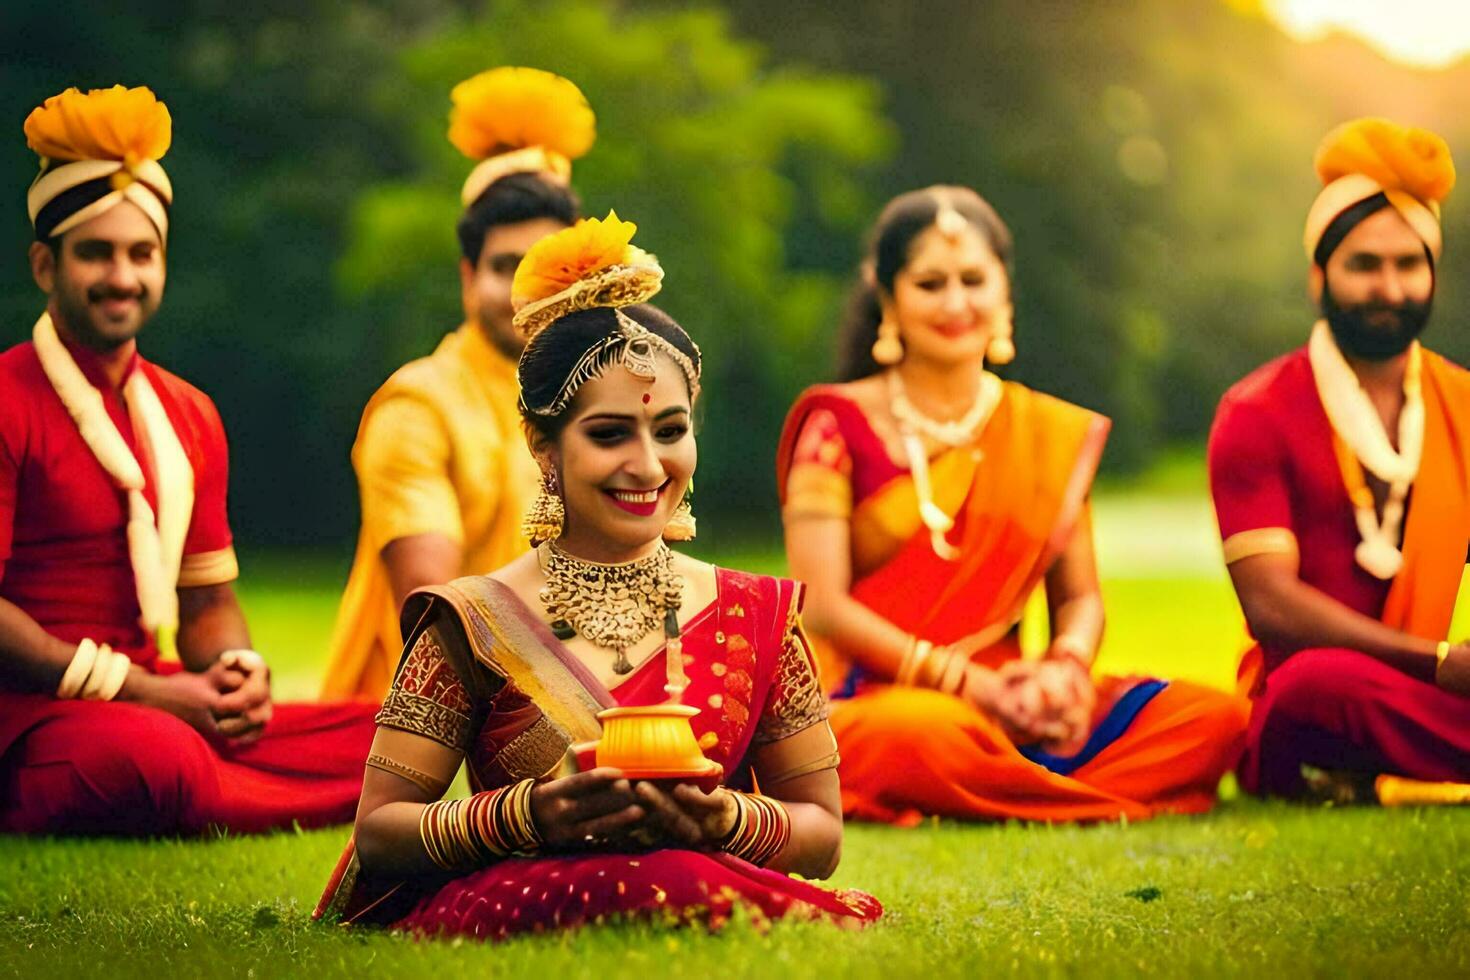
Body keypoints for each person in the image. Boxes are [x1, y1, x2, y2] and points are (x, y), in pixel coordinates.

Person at [316, 213, 881, 938]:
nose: (649, 466)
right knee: (668, 882)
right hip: (526, 889)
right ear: (543, 447)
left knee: (682, 877)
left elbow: (822, 835)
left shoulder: (754, 613)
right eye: (610, 434)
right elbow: (381, 832)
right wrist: (528, 815)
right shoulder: (471, 621)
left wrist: (726, 817)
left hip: (710, 878)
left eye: (671, 431)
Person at [777, 186, 1248, 825]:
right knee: (921, 735)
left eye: (974, 280)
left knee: (1213, 720)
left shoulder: (1042, 432)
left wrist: (1066, 671)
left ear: (1004, 292)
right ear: (887, 297)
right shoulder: (837, 425)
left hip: (1016, 704)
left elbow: (1080, 600)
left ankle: (1004, 783)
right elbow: (824, 607)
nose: (956, 303)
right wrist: (967, 685)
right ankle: (1053, 789)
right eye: (930, 283)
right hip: (879, 696)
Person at [0, 85, 376, 835]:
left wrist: (235, 674)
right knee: (158, 762)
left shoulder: (188, 413)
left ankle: (221, 769)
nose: (123, 276)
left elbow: (207, 605)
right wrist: (138, 689)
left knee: (388, 734)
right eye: (95, 253)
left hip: (155, 698)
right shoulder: (8, 398)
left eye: (142, 253)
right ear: (45, 266)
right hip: (30, 715)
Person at [1208, 118, 1470, 799]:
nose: (1389, 287)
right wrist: (1439, 663)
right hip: (1320, 698)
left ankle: (1378, 776)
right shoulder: (1257, 410)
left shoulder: (1462, 405)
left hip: (1426, 699)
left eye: (1408, 264)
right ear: (1319, 275)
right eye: (1364, 264)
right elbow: (1271, 607)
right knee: (1310, 687)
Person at [321, 67, 592, 701]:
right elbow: (437, 623)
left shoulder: (598, 399)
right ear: (469, 276)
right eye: (507, 267)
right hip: (424, 725)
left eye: (548, 269)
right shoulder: (418, 406)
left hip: (573, 697)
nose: (527, 292)